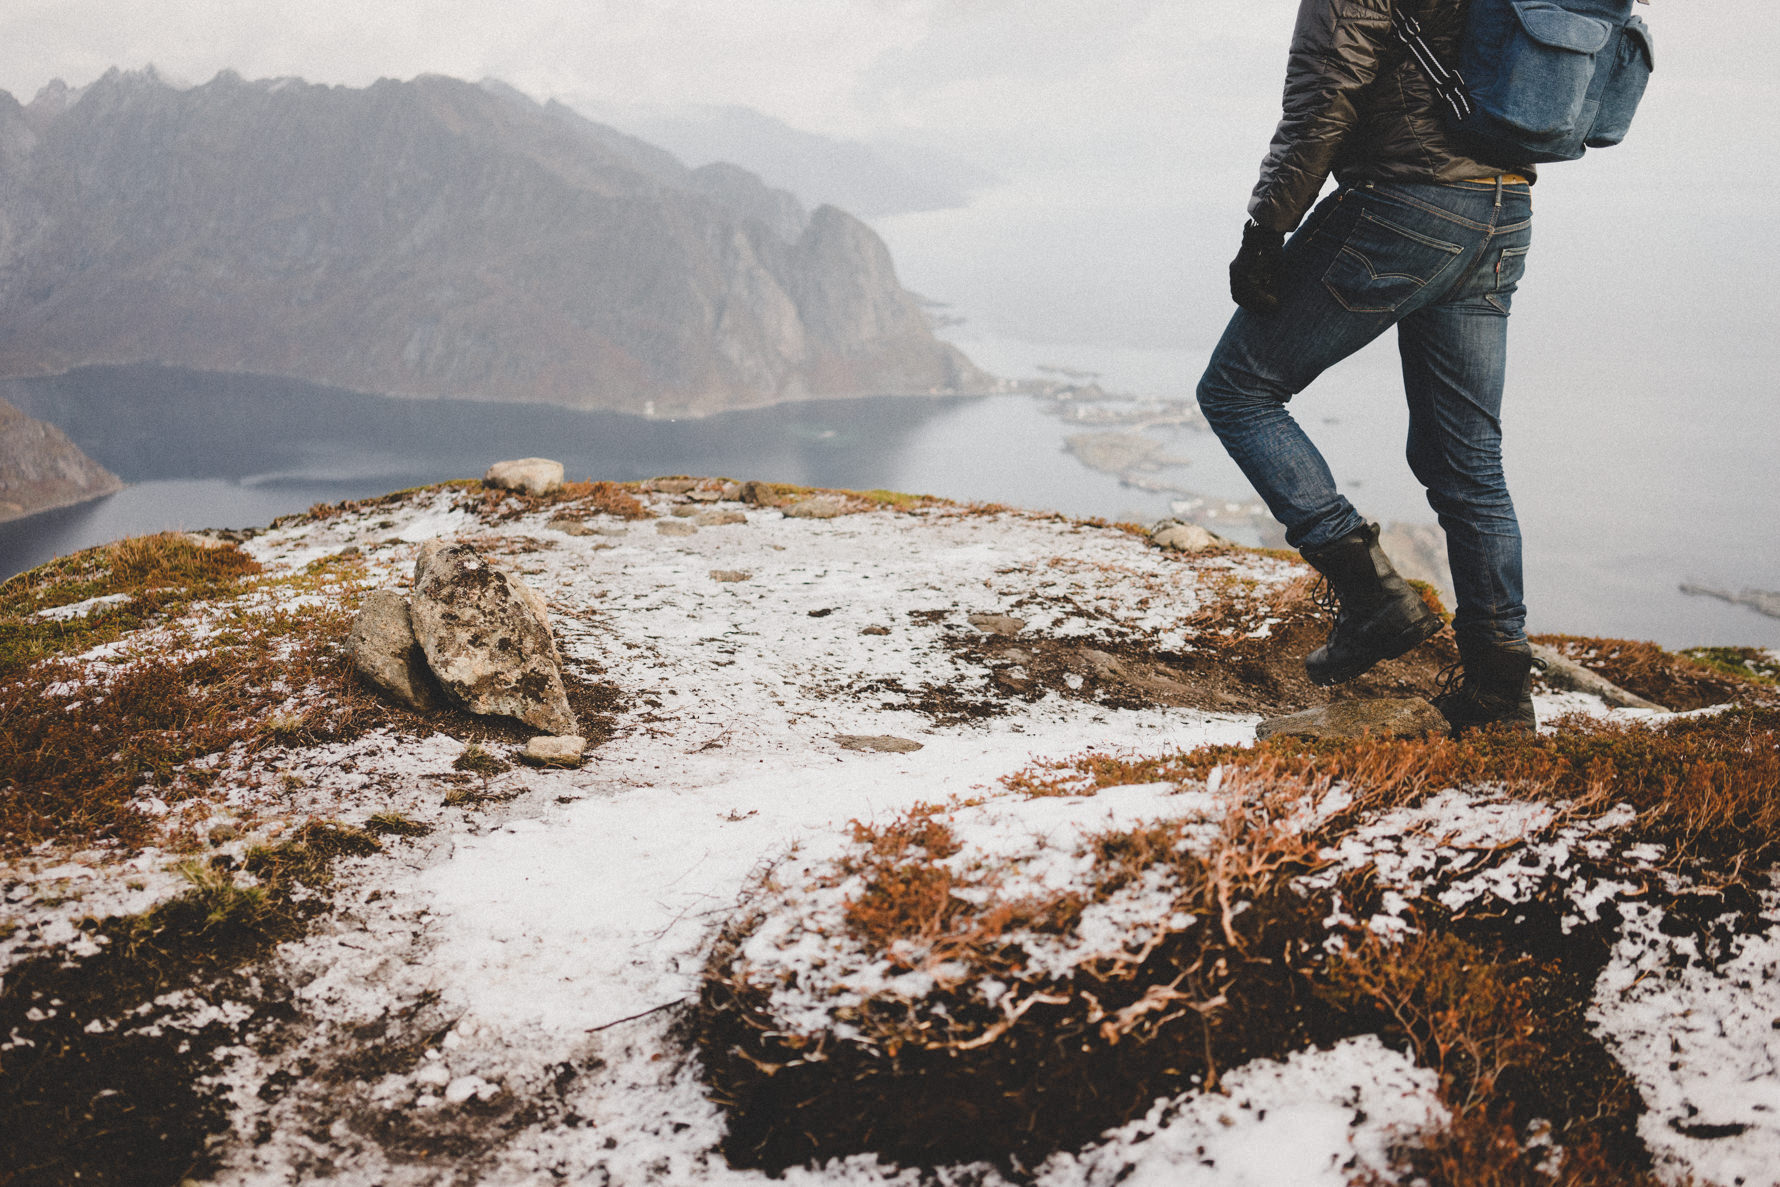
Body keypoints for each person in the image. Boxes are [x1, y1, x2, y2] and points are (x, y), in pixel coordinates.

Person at [1197, 0, 1540, 734]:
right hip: (1503, 209)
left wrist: (1266, 228)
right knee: (1469, 461)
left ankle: (1373, 595)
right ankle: (1500, 695)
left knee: (1237, 389)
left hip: (1403, 202)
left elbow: (1326, 95)